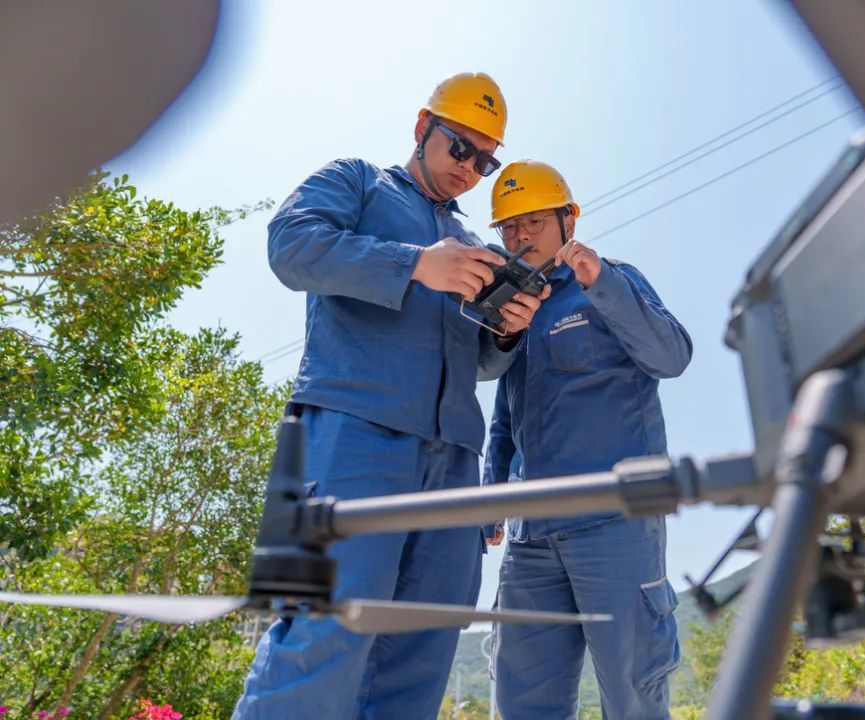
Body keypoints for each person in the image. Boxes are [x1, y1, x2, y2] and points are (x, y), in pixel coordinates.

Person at [233, 72, 548, 720]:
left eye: (485, 161)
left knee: (422, 648)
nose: (471, 168)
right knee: (327, 628)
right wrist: (413, 263)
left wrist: (508, 332)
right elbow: (289, 245)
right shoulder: (358, 182)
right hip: (353, 435)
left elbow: (478, 362)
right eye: (461, 147)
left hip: (455, 460)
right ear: (420, 127)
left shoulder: (477, 250)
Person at [482, 160, 692, 719]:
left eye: (533, 221)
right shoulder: (513, 311)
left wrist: (603, 283)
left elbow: (672, 357)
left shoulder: (611, 281)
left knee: (633, 694)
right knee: (520, 699)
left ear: (568, 220)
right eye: (508, 227)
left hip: (614, 525)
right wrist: (490, 496)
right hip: (530, 542)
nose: (519, 236)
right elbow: (506, 419)